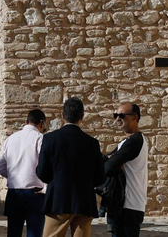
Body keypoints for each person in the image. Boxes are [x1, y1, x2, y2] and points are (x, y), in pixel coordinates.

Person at [35, 97, 101, 237]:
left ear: (62, 115)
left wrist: (54, 181)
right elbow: (100, 176)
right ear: (82, 117)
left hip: (58, 199)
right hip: (84, 200)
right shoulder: (92, 143)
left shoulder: (50, 139)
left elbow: (42, 172)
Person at [0, 109, 47, 237]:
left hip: (14, 193)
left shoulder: (10, 139)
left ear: (25, 121)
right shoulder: (40, 138)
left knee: (13, 232)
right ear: (42, 124)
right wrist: (46, 187)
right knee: (34, 233)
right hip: (34, 193)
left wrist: (13, 174)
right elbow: (46, 165)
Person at [101, 102, 148, 237]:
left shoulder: (135, 141)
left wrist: (112, 160)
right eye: (116, 115)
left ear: (134, 117)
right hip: (125, 206)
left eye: (121, 115)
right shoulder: (127, 142)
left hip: (128, 206)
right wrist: (112, 160)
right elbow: (106, 160)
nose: (117, 119)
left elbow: (108, 168)